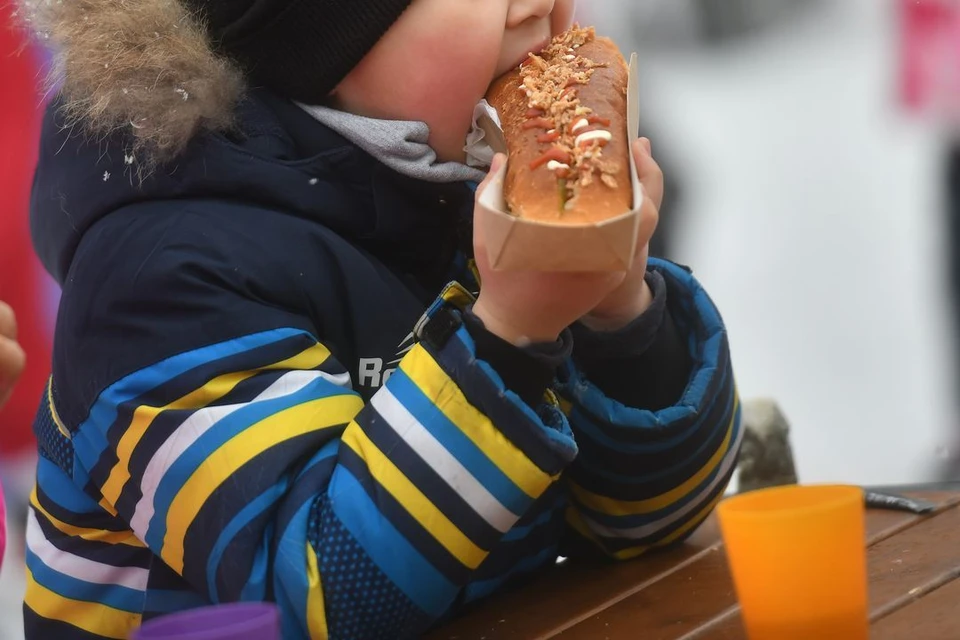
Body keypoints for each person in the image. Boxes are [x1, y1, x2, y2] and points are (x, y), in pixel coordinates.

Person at [19, 0, 741, 638]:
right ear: (322, 36)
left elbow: (646, 525)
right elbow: (317, 598)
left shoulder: (452, 185)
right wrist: (506, 340)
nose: (537, 6)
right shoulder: (159, 284)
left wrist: (622, 316)